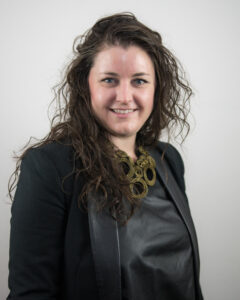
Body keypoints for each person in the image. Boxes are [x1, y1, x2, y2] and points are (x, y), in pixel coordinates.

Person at [7, 12, 203, 300]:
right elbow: (31, 294)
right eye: (109, 80)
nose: (124, 96)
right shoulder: (49, 167)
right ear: (85, 86)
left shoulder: (168, 160)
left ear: (156, 88)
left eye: (139, 81)